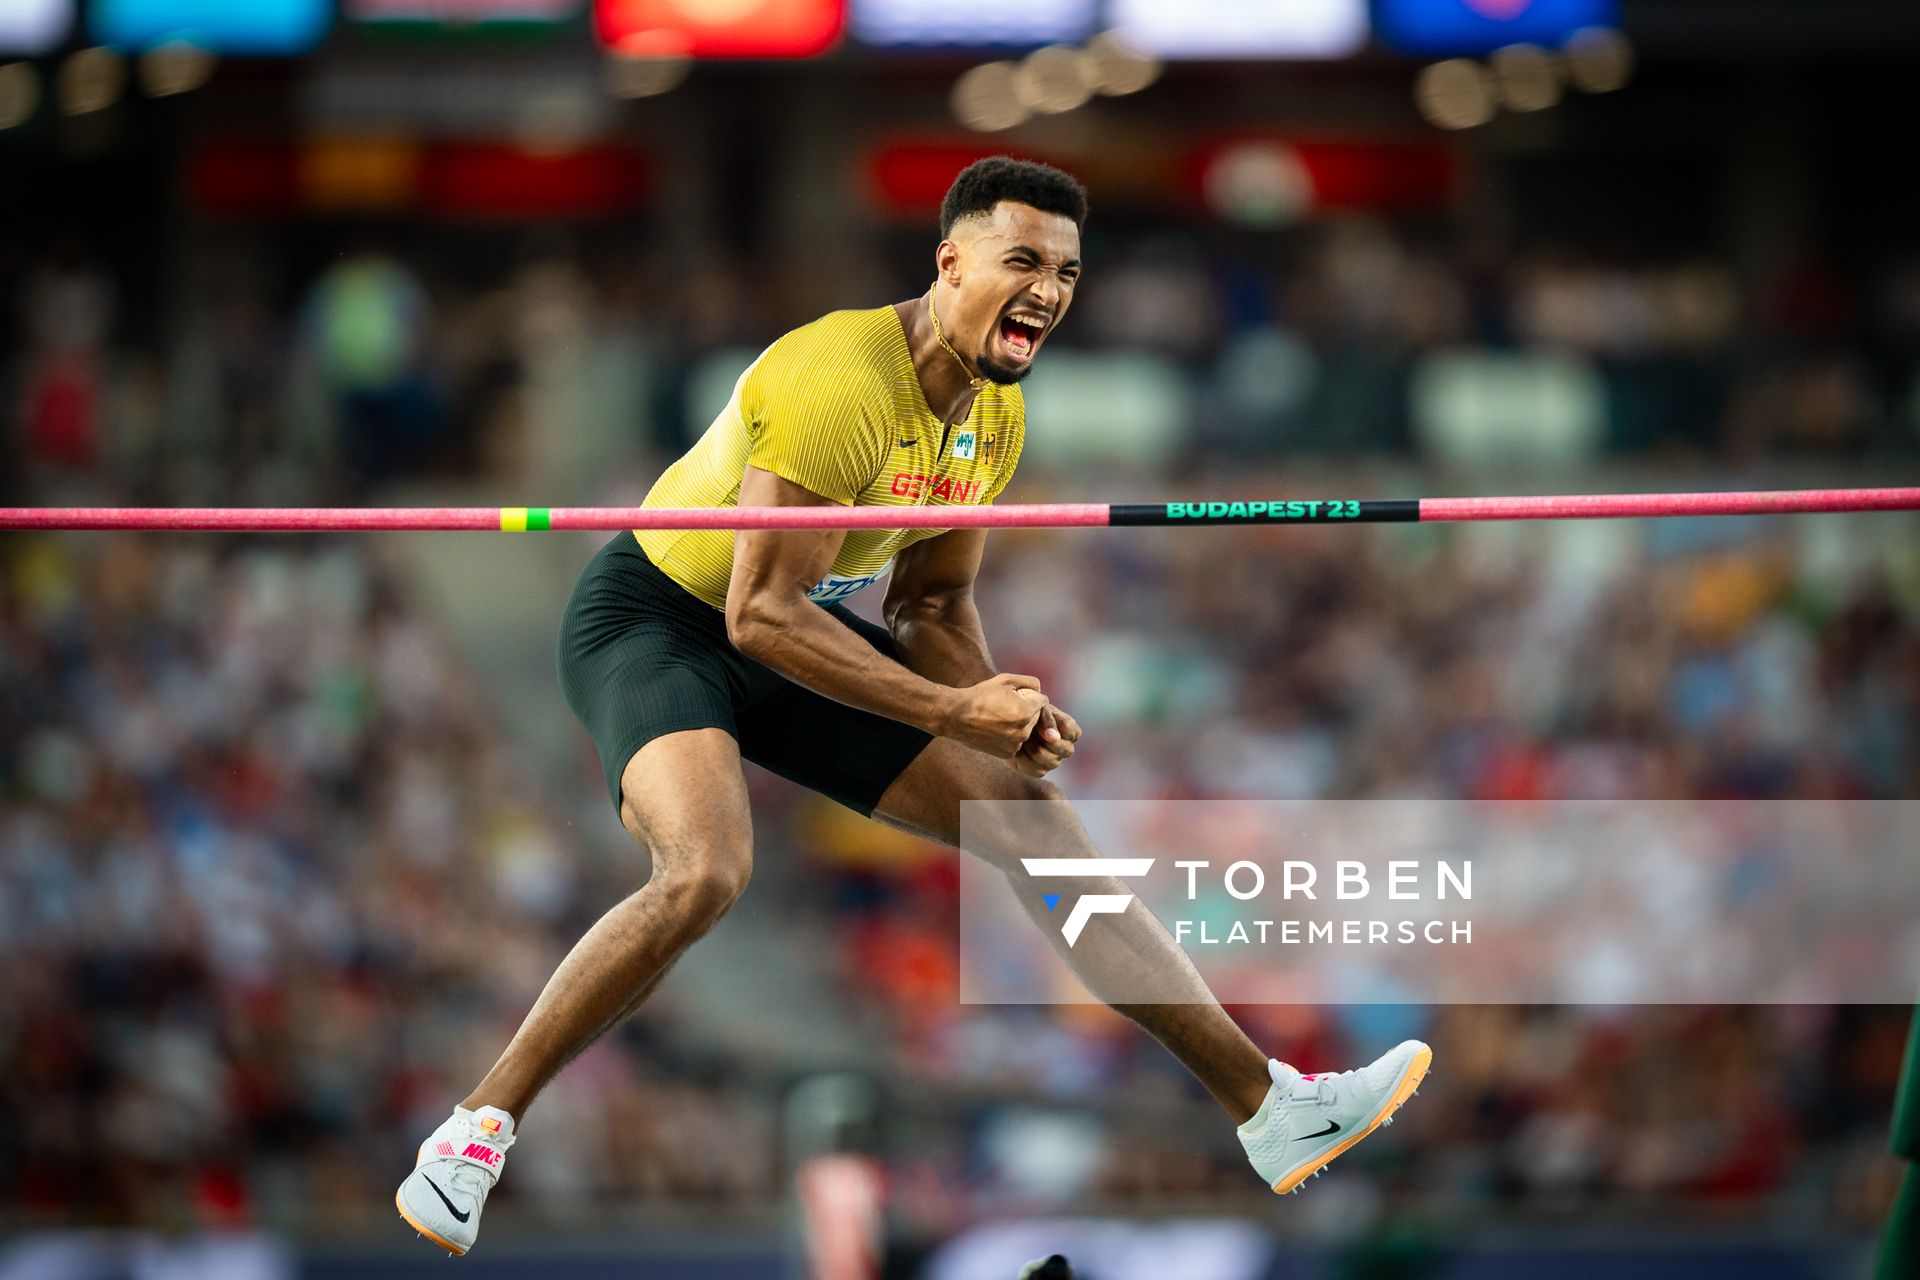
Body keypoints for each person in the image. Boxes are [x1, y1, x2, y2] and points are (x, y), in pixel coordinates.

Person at [395, 156, 1430, 1255]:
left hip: (787, 633)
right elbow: (759, 614)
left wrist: (993, 705)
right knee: (706, 868)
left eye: (1066, 272)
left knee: (1035, 823)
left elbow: (932, 599)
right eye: (1022, 260)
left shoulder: (993, 418)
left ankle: (1269, 1106)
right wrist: (953, 711)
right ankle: (474, 1129)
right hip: (659, 620)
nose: (1048, 290)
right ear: (950, 263)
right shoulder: (840, 378)